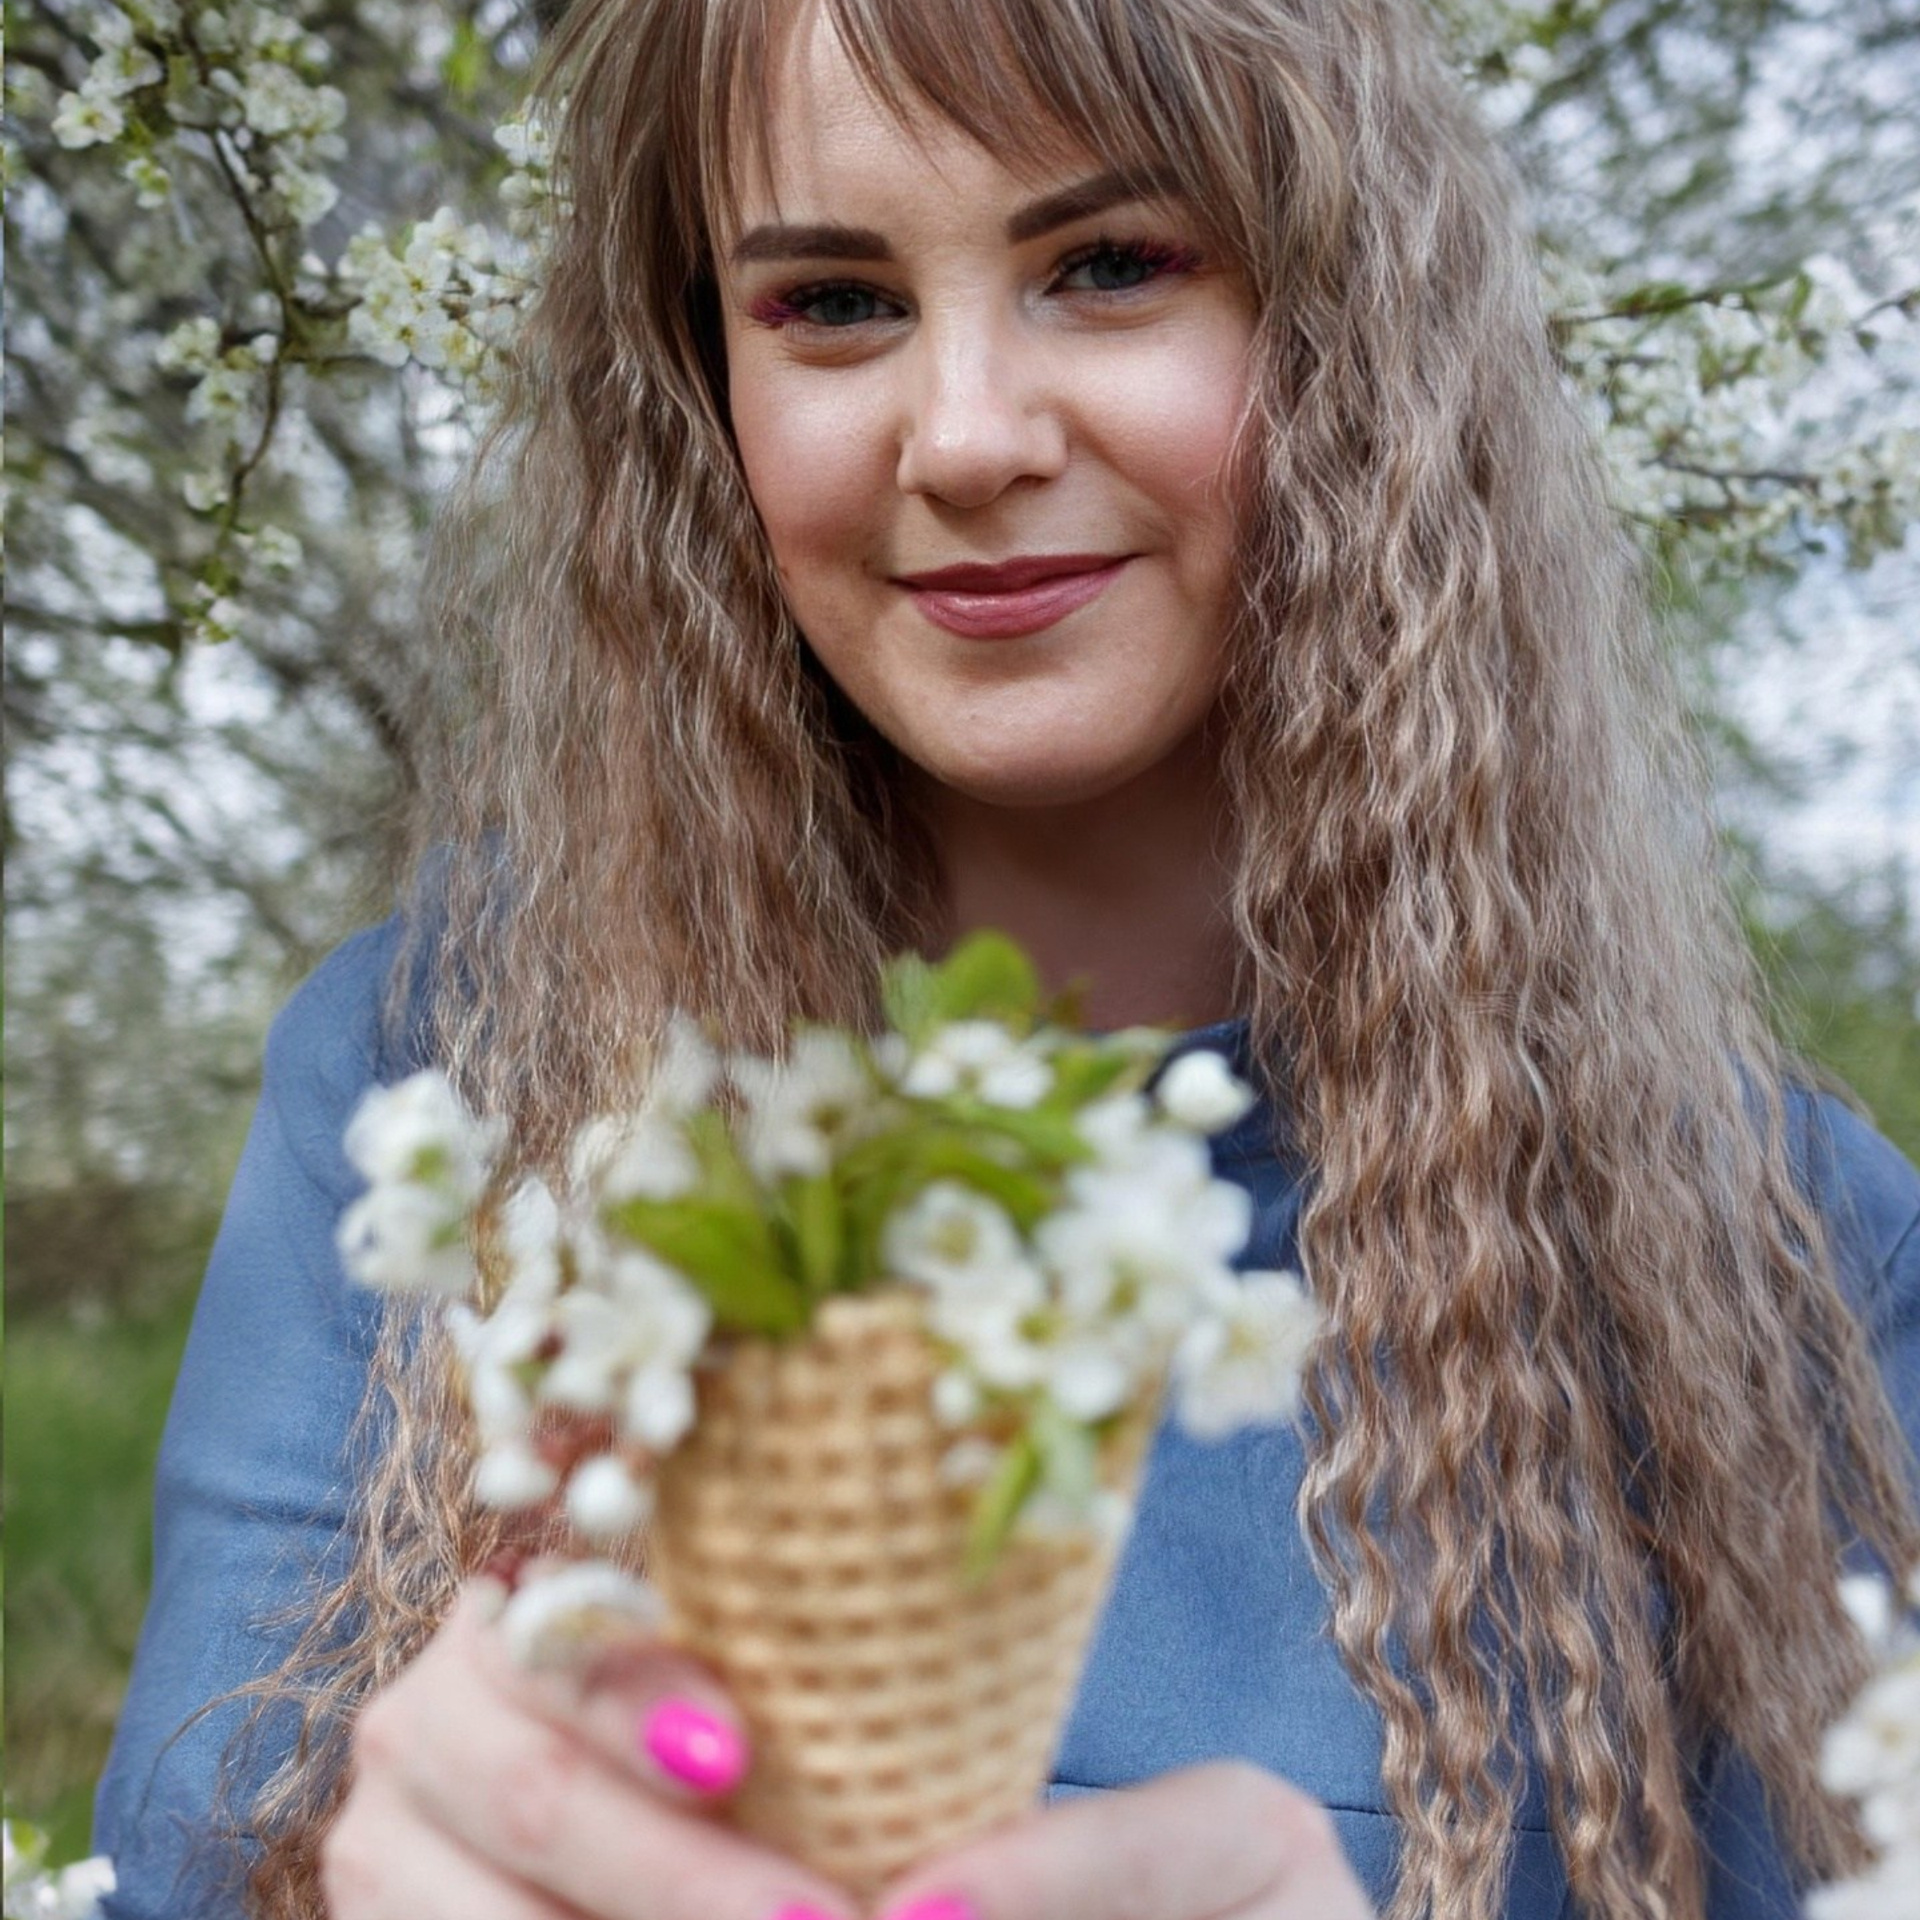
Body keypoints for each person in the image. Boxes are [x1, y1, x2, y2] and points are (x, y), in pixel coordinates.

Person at [94, 0, 1920, 1916]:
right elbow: (192, 1860)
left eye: (1112, 267)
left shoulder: (1757, 1250)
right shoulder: (439, 1070)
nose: (964, 435)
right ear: (703, 380)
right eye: (831, 304)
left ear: (1351, 333)